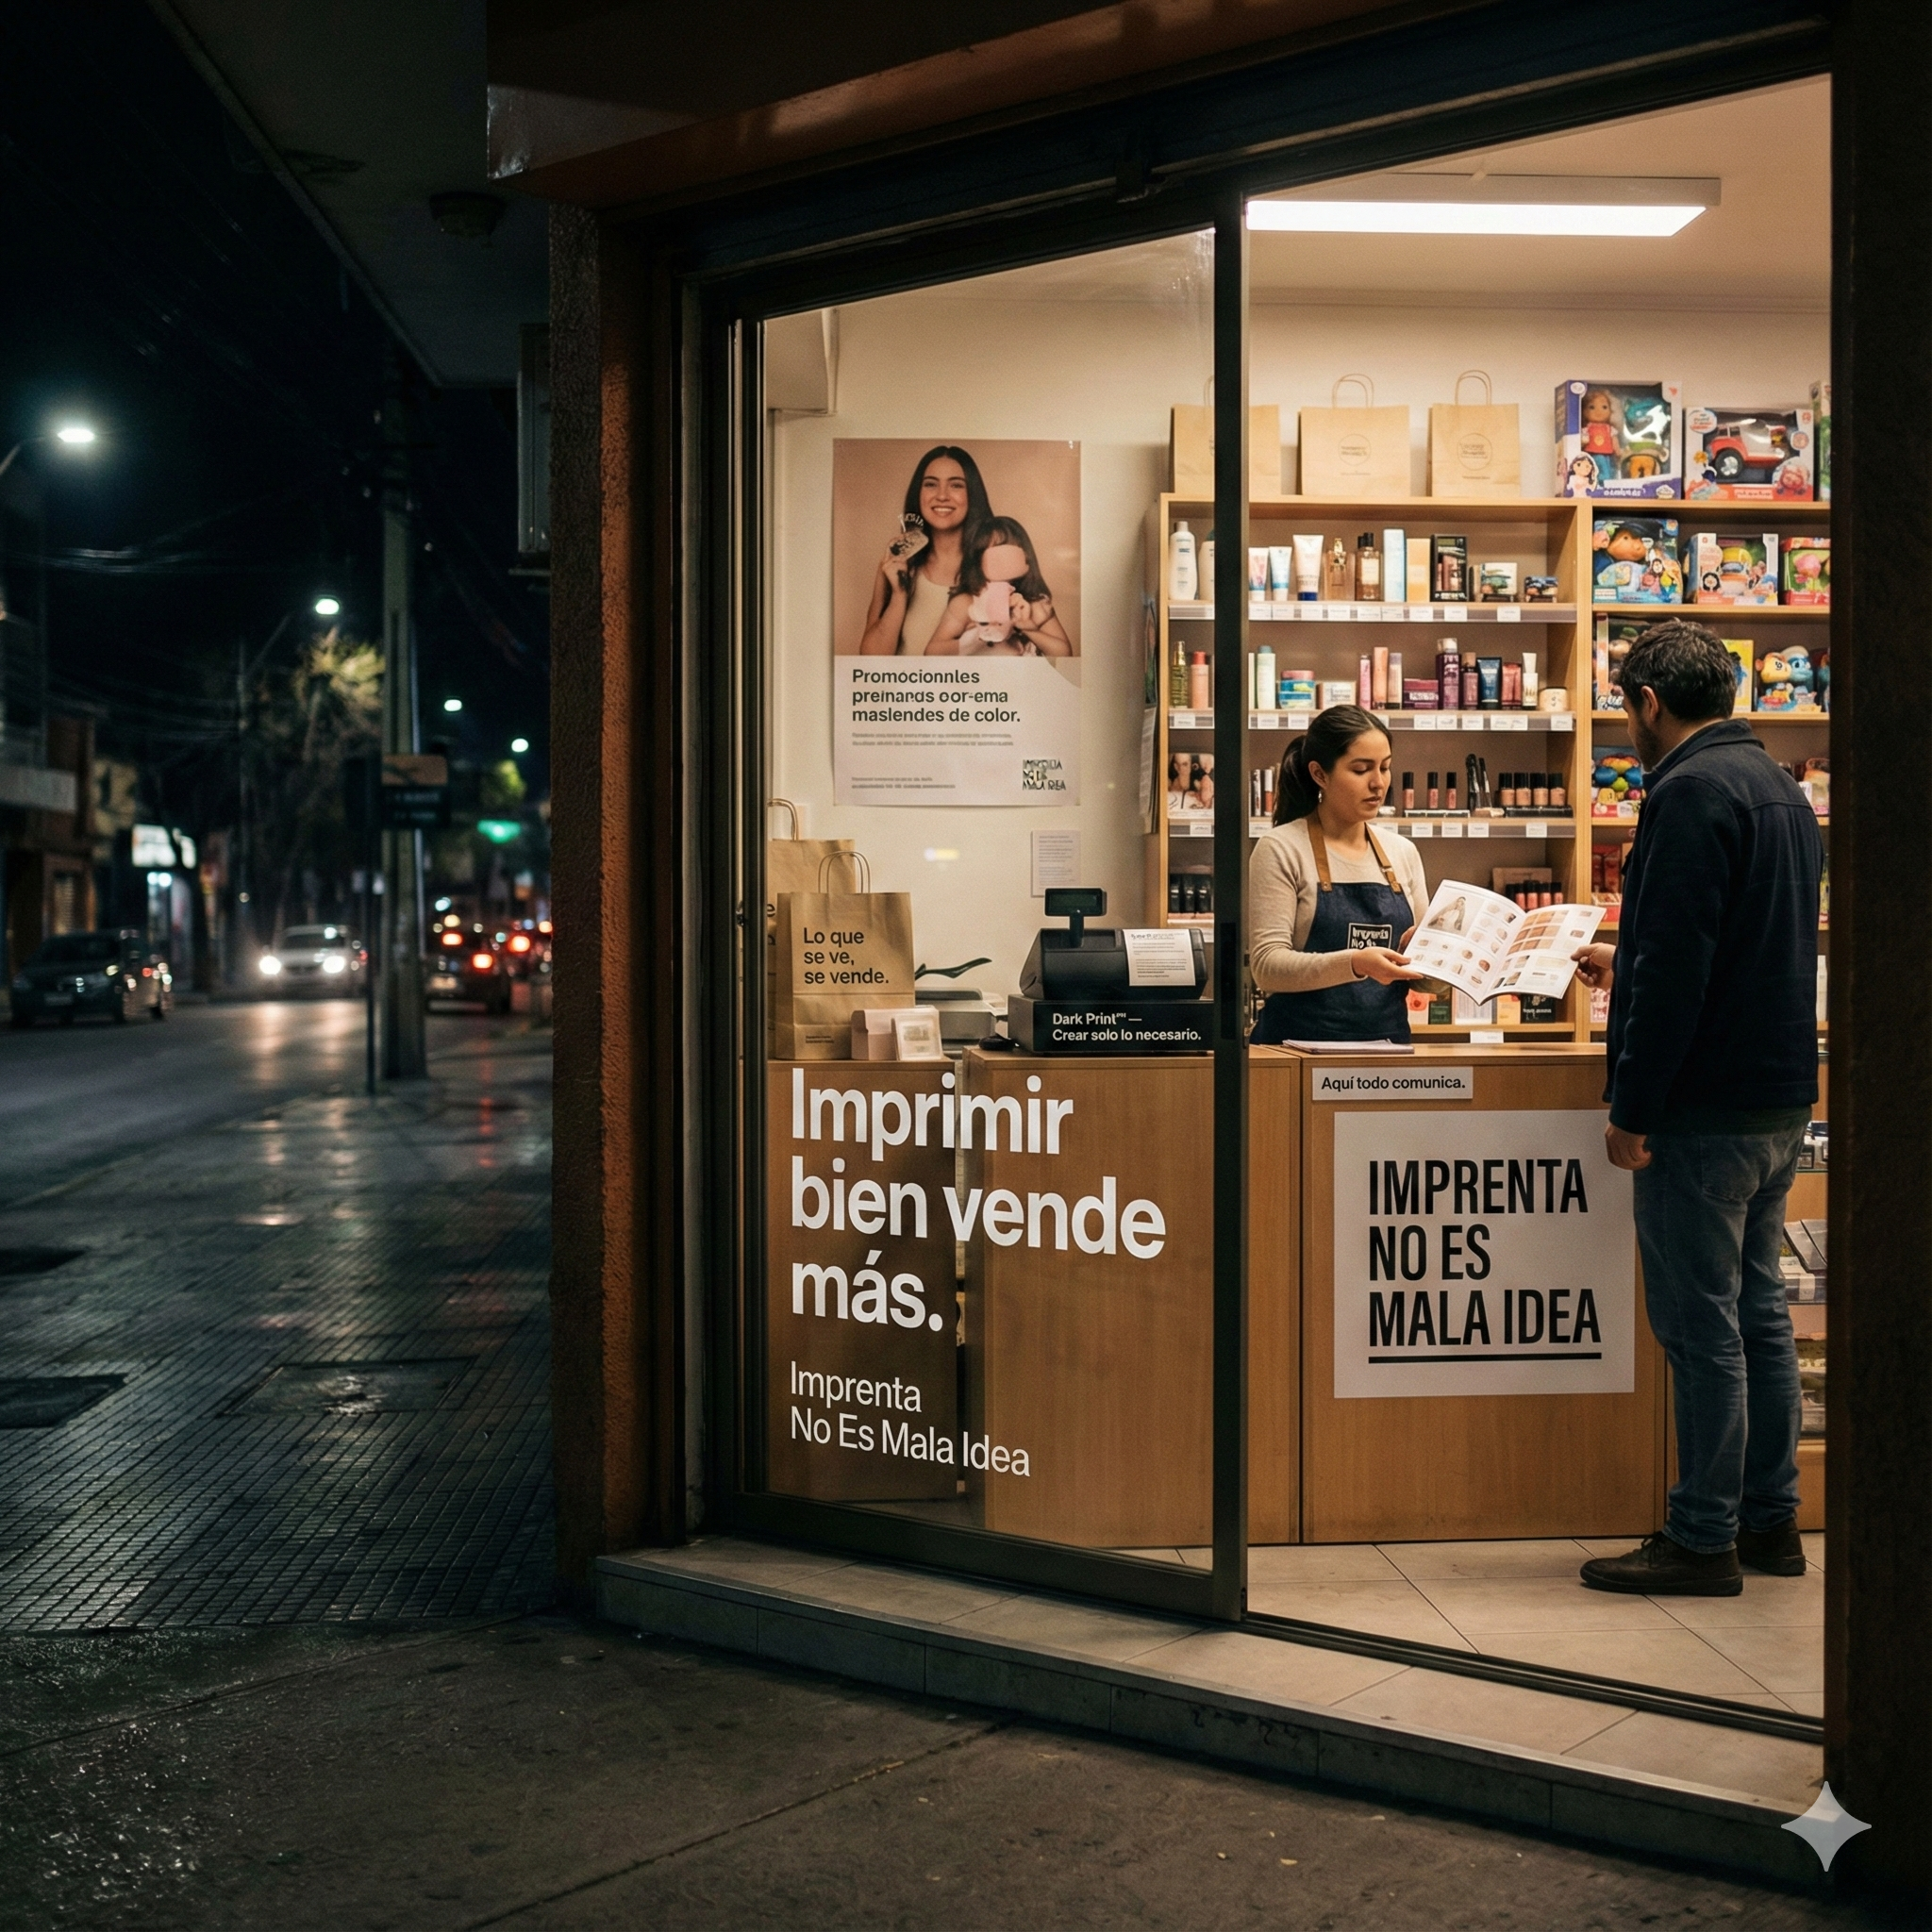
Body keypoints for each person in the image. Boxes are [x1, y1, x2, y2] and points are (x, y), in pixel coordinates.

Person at [1570, 619, 1824, 1597]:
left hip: (1700, 1106)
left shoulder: (1683, 792)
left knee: (1699, 1326)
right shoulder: (1777, 786)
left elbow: (1677, 973)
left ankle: (1699, 1535)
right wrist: (1619, 957)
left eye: (1625, 708)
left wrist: (1631, 1106)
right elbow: (1733, 942)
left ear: (1646, 703)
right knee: (1757, 1313)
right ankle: (1769, 1521)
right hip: (1774, 1095)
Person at [1249, 706, 1425, 1044]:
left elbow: (1422, 979)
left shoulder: (1403, 852)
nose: (1379, 783)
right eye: (1361, 769)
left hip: (1387, 1056)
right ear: (1320, 774)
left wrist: (1445, 961)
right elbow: (1267, 966)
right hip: (1295, 1054)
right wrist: (1357, 963)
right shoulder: (1281, 848)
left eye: (1386, 767)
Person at [857, 446, 993, 656]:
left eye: (956, 485)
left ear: (973, 494)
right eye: (930, 484)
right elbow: (870, 660)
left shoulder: (995, 564)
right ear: (918, 493)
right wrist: (899, 595)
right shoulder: (898, 561)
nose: (941, 496)